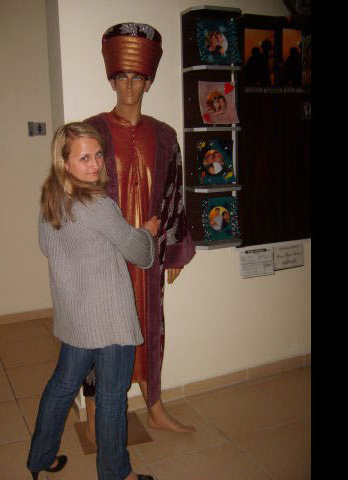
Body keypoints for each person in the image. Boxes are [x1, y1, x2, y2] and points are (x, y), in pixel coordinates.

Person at [81, 22, 196, 443]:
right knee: (101, 331)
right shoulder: (90, 131)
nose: (129, 86)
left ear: (148, 81)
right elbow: (78, 194)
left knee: (149, 327)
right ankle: (95, 413)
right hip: (103, 256)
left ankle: (155, 406)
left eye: (137, 77)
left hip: (147, 256)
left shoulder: (165, 136)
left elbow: (174, 194)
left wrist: (175, 251)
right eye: (122, 77)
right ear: (112, 79)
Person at [26, 122, 159, 480]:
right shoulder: (97, 204)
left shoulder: (51, 201)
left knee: (63, 386)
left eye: (98, 155)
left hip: (76, 318)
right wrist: (147, 233)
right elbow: (138, 253)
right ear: (64, 162)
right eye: (84, 157)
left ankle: (39, 459)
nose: (95, 164)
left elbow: (48, 248)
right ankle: (116, 474)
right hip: (108, 320)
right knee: (112, 397)